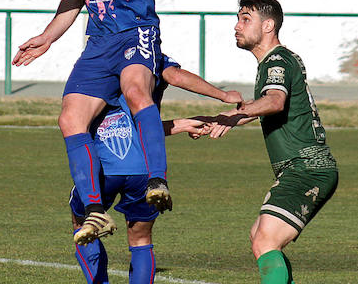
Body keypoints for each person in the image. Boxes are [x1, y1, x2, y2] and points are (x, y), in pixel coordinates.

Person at [9, 0, 169, 244]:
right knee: (70, 118)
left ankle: (158, 180)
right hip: (98, 40)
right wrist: (48, 36)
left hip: (135, 30)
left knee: (135, 90)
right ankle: (95, 209)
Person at [204, 0, 338, 284]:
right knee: (259, 236)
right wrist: (225, 119)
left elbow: (275, 101)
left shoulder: (276, 60)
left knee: (265, 241)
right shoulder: (278, 60)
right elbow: (268, 104)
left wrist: (231, 115)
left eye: (245, 19)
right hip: (302, 167)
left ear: (268, 25)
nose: (236, 26)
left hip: (306, 166)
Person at [71, 55, 238, 284]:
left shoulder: (100, 57)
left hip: (103, 166)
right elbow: (175, 79)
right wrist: (223, 95)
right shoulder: (149, 55)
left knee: (82, 223)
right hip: (144, 170)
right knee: (140, 239)